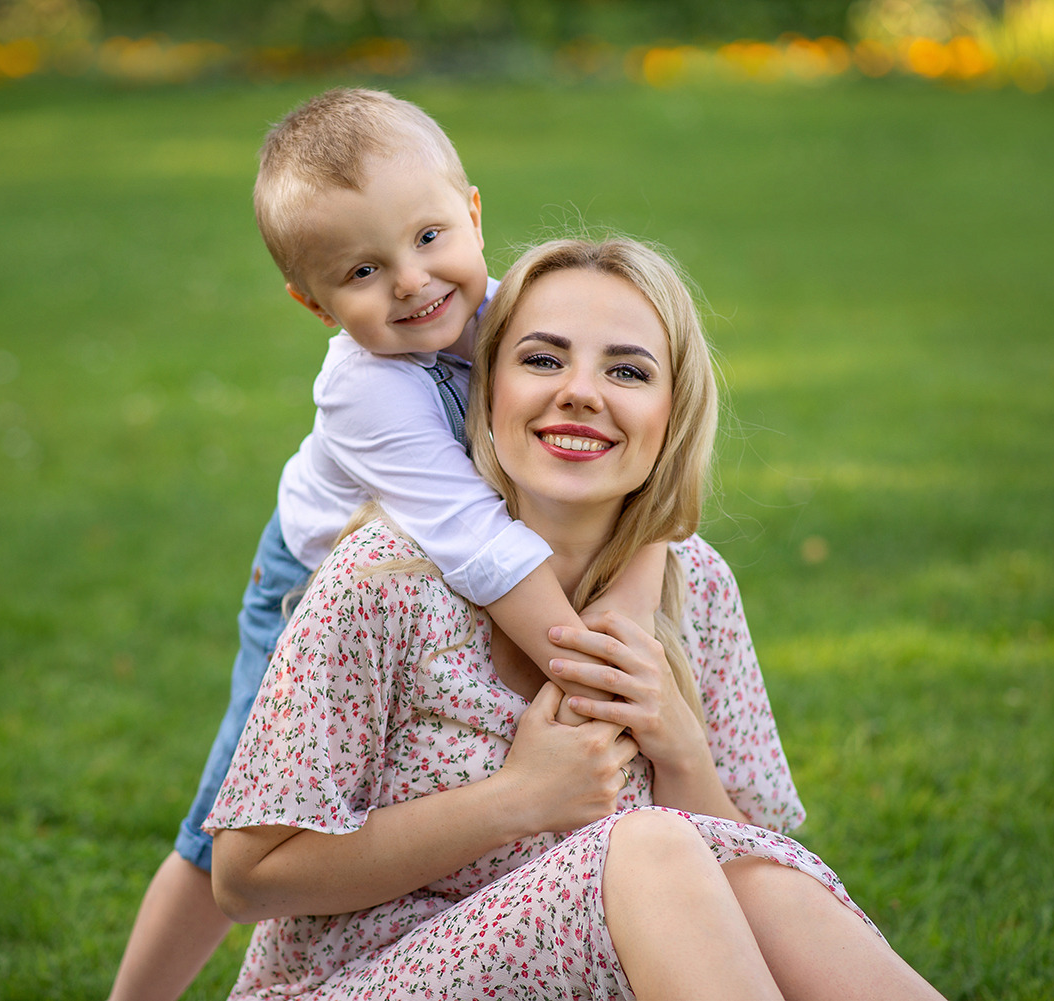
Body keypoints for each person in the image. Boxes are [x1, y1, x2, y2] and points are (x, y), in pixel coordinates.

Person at [205, 236, 945, 1000]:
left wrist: (682, 753)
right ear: (489, 386)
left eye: (626, 370)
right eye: (543, 359)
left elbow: (750, 880)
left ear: (673, 410)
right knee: (652, 846)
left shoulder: (696, 586)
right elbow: (246, 877)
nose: (581, 392)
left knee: (756, 880)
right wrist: (515, 800)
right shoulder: (385, 581)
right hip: (359, 981)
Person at [108, 91, 666, 1000]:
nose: (411, 281)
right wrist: (596, 671)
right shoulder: (368, 389)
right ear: (312, 301)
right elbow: (478, 544)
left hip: (439, 580)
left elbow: (651, 463)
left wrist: (635, 587)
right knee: (231, 821)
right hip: (316, 582)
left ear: (473, 213)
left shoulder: (516, 315)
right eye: (363, 270)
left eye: (430, 237)